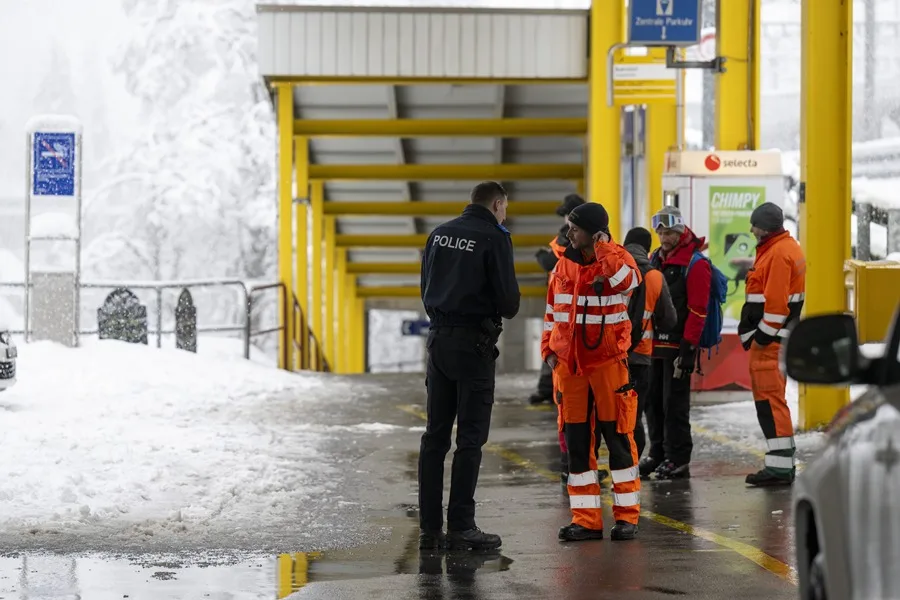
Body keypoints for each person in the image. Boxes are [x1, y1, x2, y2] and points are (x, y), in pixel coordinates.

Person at [418, 181, 521, 551]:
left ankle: (430, 526)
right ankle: (461, 525)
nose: (505, 214)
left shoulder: (439, 235)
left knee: (435, 437)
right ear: (496, 204)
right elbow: (509, 303)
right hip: (473, 347)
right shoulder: (494, 237)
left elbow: (426, 288)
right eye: (505, 208)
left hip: (439, 342)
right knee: (470, 439)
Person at [541, 202, 642, 542]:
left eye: (575, 227)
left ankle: (627, 517)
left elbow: (628, 283)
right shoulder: (562, 267)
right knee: (577, 444)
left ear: (595, 232)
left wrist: (602, 247)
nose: (569, 232)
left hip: (609, 366)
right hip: (570, 371)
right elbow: (552, 313)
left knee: (618, 441)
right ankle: (585, 520)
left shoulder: (617, 259)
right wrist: (549, 352)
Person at [640, 205, 712, 480]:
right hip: (654, 346)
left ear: (680, 231)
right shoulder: (655, 259)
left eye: (669, 231)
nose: (664, 237)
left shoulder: (695, 264)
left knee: (675, 404)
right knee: (653, 402)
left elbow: (697, 309)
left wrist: (689, 348)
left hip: (679, 348)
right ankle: (657, 453)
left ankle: (678, 458)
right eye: (660, 231)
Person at [738, 202, 806, 486]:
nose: (751, 230)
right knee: (772, 402)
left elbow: (776, 308)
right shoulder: (784, 248)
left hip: (770, 342)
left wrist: (760, 338)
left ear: (765, 228)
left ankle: (779, 469)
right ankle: (780, 464)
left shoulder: (777, 254)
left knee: (770, 402)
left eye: (754, 225)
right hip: (775, 340)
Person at [622, 227, 677, 458]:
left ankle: (608, 464)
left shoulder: (614, 271)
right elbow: (669, 320)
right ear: (647, 249)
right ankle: (630, 466)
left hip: (609, 357)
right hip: (640, 358)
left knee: (606, 415)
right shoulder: (655, 276)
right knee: (633, 415)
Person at [529, 194, 585, 405]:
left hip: (564, 300)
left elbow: (551, 260)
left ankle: (550, 388)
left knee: (555, 343)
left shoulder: (567, 236)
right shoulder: (587, 235)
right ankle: (552, 387)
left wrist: (541, 255)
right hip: (565, 299)